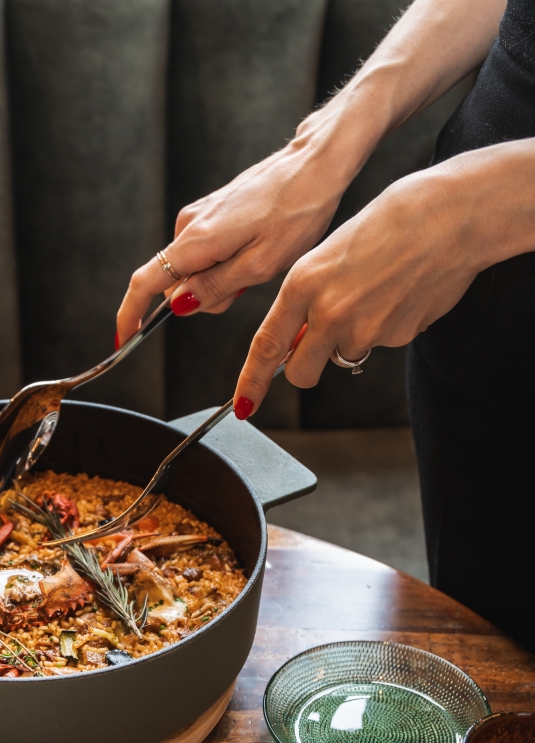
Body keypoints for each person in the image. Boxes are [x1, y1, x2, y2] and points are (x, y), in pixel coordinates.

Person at [116, 0, 535, 653]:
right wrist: (327, 139)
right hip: (479, 328)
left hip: (470, 223)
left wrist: (478, 206)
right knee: (496, 677)